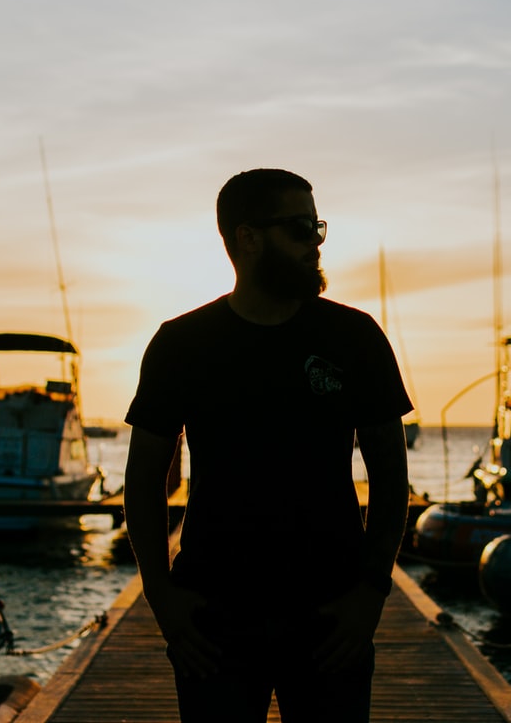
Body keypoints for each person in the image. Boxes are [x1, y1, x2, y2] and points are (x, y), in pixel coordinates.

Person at [124, 168, 412, 723]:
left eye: (318, 227)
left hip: (331, 613)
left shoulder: (355, 338)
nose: (316, 244)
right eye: (301, 228)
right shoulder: (182, 344)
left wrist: (371, 592)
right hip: (214, 615)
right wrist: (161, 593)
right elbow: (143, 480)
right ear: (248, 238)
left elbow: (391, 476)